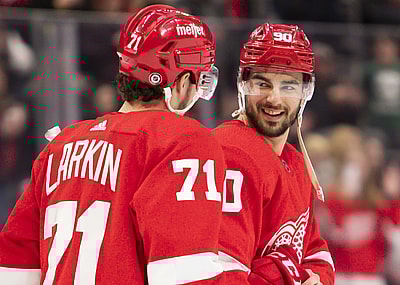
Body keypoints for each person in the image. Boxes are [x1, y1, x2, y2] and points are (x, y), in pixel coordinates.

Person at [0, 5, 227, 285]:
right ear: (181, 82)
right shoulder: (182, 142)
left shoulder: (59, 146)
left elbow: (13, 270)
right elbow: (185, 274)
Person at [212, 23, 335, 285]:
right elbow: (224, 274)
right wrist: (290, 274)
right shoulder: (232, 154)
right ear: (242, 84)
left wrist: (307, 277)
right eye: (262, 84)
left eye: (288, 86)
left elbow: (316, 254)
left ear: (306, 91)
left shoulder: (297, 163)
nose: (274, 99)